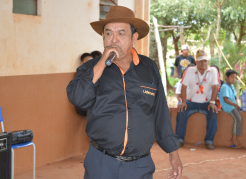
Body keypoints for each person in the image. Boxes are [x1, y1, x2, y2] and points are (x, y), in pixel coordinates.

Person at [66, 6, 182, 179]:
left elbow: (160, 111)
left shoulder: (148, 68)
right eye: (108, 33)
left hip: (139, 166)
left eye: (121, 33)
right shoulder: (89, 68)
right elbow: (78, 99)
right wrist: (102, 62)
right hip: (101, 163)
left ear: (134, 38)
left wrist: (173, 151)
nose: (114, 40)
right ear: (103, 37)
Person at [176, 50, 220, 150]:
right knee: (181, 109)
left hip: (207, 103)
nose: (203, 63)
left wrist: (212, 102)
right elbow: (183, 87)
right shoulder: (190, 70)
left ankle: (209, 141)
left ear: (208, 61)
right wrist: (183, 102)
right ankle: (179, 139)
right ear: (196, 62)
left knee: (213, 112)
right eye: (200, 61)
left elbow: (215, 87)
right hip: (191, 102)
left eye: (205, 61)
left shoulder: (213, 70)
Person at [219, 70, 242, 148]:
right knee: (238, 119)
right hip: (227, 106)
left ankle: (235, 137)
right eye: (232, 77)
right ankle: (234, 139)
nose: (234, 79)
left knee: (239, 116)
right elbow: (226, 99)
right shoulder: (225, 86)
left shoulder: (231, 86)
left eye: (235, 78)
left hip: (232, 105)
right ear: (226, 77)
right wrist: (235, 105)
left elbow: (234, 98)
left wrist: (237, 105)